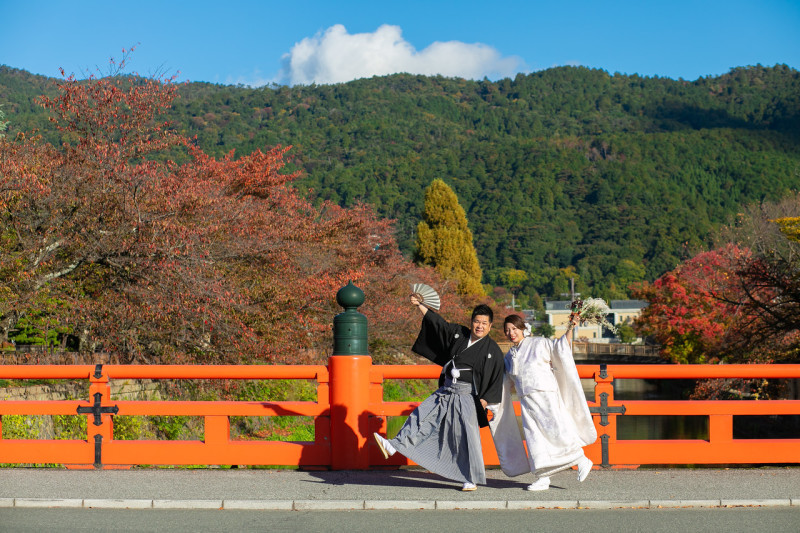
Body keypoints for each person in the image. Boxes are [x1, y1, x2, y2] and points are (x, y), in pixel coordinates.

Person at [374, 297, 505, 491]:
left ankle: (470, 478)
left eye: (484, 323)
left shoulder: (492, 350)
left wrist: (484, 402)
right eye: (477, 321)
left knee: (465, 438)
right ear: (471, 322)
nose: (479, 326)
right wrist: (420, 305)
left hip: (468, 396)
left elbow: (494, 378)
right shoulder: (460, 334)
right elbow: (439, 324)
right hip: (446, 390)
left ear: (490, 325)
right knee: (421, 416)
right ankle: (395, 445)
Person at [489, 313, 597, 491]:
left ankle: (581, 459)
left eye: (514, 329)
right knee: (534, 438)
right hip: (526, 400)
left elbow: (560, 347)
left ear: (523, 328)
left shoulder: (539, 343)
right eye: (507, 330)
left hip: (546, 395)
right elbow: (504, 382)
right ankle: (542, 476)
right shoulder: (509, 356)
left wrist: (571, 327)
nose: (511, 333)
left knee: (555, 431)